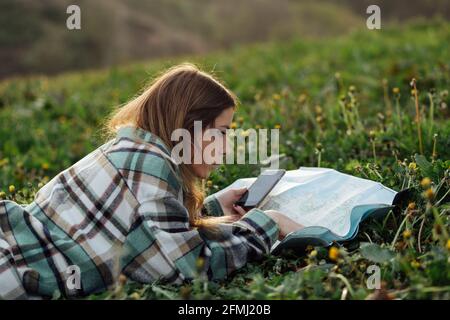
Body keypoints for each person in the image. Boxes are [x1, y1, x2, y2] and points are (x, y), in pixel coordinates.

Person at [0, 63, 302, 299]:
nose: (227, 145)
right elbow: (195, 267)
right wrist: (268, 223)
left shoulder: (133, 149)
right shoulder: (151, 166)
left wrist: (210, 208)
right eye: (222, 132)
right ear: (189, 127)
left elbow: (144, 229)